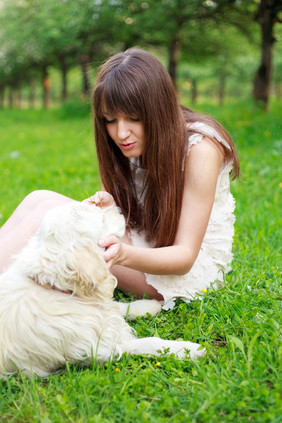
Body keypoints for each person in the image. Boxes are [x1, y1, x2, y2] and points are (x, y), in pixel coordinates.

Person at [0, 48, 239, 310]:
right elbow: (120, 207)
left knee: (45, 214)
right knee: (40, 199)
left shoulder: (201, 148)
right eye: (110, 120)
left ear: (157, 110)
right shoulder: (125, 143)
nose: (121, 133)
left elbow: (185, 258)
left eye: (134, 118)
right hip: (142, 241)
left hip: (183, 272)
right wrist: (109, 204)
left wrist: (123, 253)